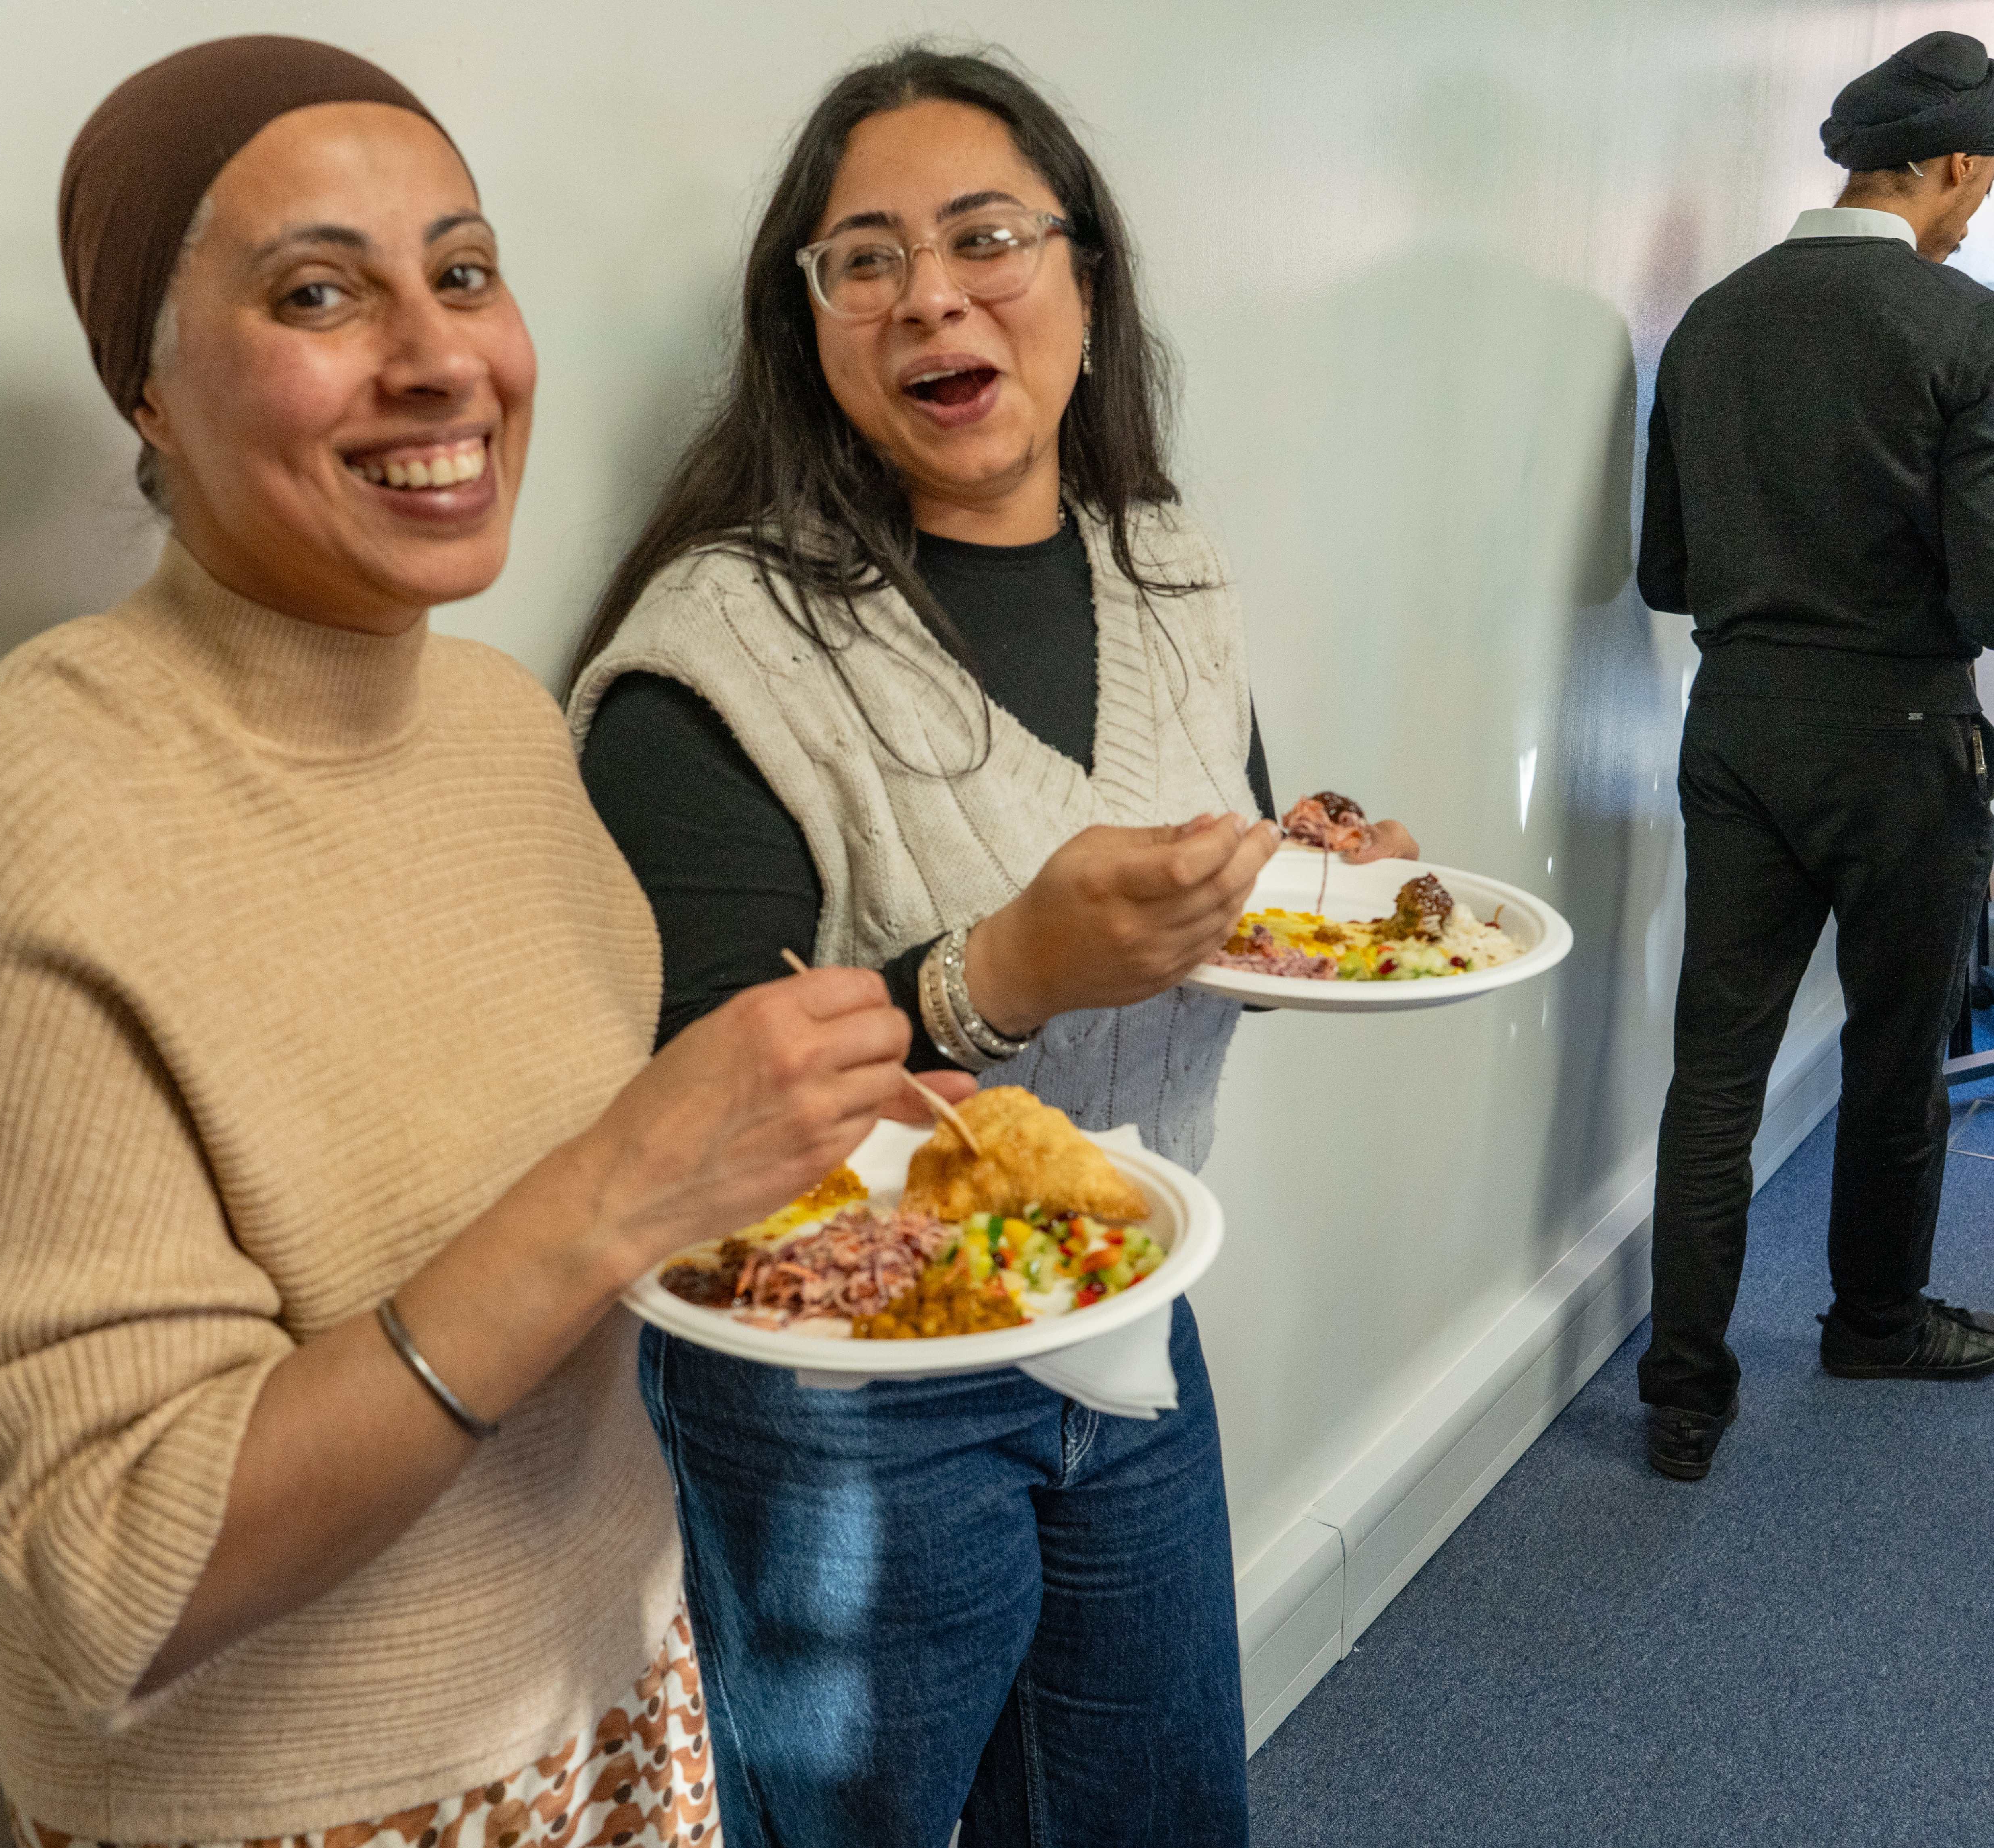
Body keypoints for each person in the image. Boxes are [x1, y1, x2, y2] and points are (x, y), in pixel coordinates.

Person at [0, 37, 962, 1848]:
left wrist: (783, 1167)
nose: (438, 358)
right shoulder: (11, 832)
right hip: (304, 1807)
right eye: (318, 293)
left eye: (465, 271)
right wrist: (621, 1180)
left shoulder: (502, 726)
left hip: (614, 1693)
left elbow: (549, 1207)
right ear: (148, 390)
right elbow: (120, 1575)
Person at [563, 44, 1413, 1848]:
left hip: (1122, 1317)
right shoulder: (714, 654)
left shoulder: (1170, 570)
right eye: (861, 260)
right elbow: (695, 1120)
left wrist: (1322, 884)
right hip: (845, 1406)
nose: (928, 294)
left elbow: (1206, 870)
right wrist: (988, 978)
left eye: (982, 238)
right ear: (807, 331)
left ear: (1083, 284)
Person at [1633, 30, 1994, 1482]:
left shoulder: (1715, 320)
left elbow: (1669, 574)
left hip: (1734, 731)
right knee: (1897, 1055)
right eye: (1983, 183)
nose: (1978, 212)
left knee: (1711, 1080)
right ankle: (1873, 1321)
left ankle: (1683, 1393)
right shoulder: (1968, 334)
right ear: (1961, 167)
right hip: (1901, 747)